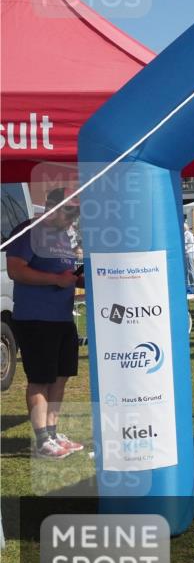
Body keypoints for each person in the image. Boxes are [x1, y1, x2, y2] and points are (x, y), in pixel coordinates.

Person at [4, 188, 86, 458]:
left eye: (75, 213)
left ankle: (52, 432)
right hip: (36, 318)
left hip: (62, 317)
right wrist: (55, 280)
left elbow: (63, 274)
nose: (72, 219)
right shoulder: (29, 231)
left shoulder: (64, 236)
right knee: (40, 379)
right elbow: (16, 270)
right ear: (51, 206)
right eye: (69, 211)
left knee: (60, 378)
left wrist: (78, 279)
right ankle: (41, 439)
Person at [183, 221, 194, 299]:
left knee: (191, 269)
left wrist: (183, 248)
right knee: (188, 270)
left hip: (189, 252)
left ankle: (193, 284)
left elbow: (189, 244)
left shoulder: (188, 234)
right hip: (186, 253)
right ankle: (189, 284)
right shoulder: (185, 234)